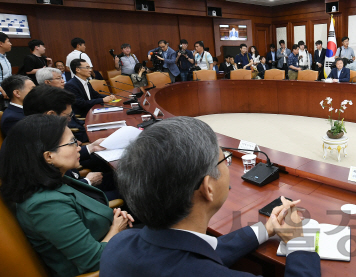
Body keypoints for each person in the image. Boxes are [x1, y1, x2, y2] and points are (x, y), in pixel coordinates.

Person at [99, 117, 320, 277]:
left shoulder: (118, 245)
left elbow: (194, 252)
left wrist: (266, 229)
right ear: (208, 187)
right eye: (224, 159)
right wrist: (298, 241)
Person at [0, 114, 133, 277]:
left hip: (115, 244)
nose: (78, 146)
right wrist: (116, 228)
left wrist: (114, 217)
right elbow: (94, 260)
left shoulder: (53, 179)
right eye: (71, 142)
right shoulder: (44, 206)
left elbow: (83, 215)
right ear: (49, 156)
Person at [0, 32, 12, 101]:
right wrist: (2, 90)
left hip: (6, 94)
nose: (10, 44)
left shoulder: (4, 58)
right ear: (0, 43)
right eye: (8, 41)